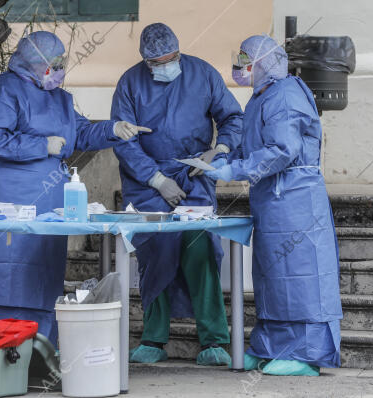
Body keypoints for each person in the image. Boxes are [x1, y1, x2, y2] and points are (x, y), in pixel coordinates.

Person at [0, 31, 150, 346]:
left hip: (50, 201)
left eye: (61, 63)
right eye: (52, 65)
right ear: (32, 63)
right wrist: (41, 144)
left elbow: (80, 132)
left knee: (43, 272)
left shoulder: (58, 98)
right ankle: (7, 349)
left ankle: (43, 351)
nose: (58, 70)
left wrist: (112, 128)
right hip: (12, 197)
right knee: (11, 273)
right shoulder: (2, 92)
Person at [206, 35, 342, 376]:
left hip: (296, 200)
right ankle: (269, 346)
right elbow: (256, 144)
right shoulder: (261, 97)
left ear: (264, 62)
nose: (240, 68)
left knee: (300, 278)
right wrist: (221, 157)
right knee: (273, 278)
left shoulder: (286, 95)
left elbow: (283, 150)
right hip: (272, 201)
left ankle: (306, 355)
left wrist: (236, 169)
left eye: (245, 61)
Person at [111, 23, 243, 366]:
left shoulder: (203, 74)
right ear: (145, 61)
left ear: (179, 52)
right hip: (146, 181)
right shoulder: (129, 83)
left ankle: (214, 340)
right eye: (156, 63)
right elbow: (124, 140)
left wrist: (220, 151)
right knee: (156, 252)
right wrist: (156, 180)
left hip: (194, 173)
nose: (165, 66)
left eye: (171, 59)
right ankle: (154, 339)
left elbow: (232, 117)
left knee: (200, 249)